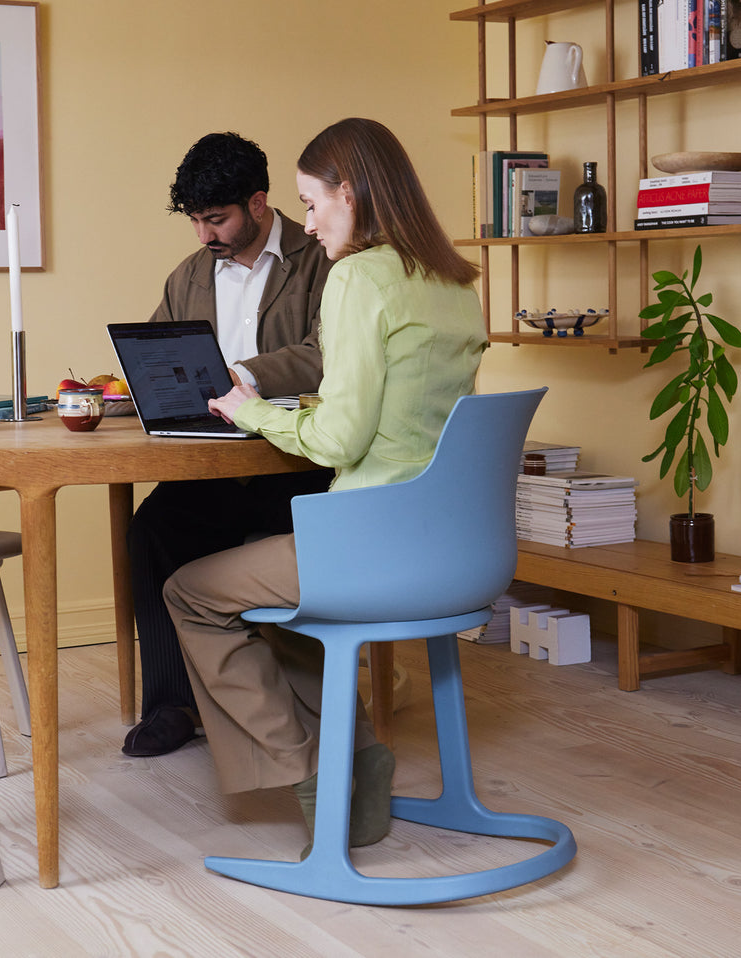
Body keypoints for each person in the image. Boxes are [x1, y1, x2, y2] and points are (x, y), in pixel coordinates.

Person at [162, 118, 488, 849]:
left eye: (312, 203)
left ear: (351, 192)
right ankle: (363, 769)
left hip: (369, 545)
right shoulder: (456, 282)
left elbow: (339, 439)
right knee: (269, 590)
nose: (307, 223)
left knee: (193, 592)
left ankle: (313, 771)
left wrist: (252, 412)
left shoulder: (357, 278)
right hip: (458, 550)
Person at [122, 132, 335, 758]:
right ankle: (171, 706)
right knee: (150, 532)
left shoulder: (323, 258)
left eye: (216, 218)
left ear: (260, 203)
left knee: (262, 540)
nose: (203, 235)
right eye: (195, 220)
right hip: (212, 468)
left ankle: (303, 702)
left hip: (293, 465)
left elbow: (329, 355)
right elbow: (161, 350)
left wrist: (245, 375)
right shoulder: (187, 275)